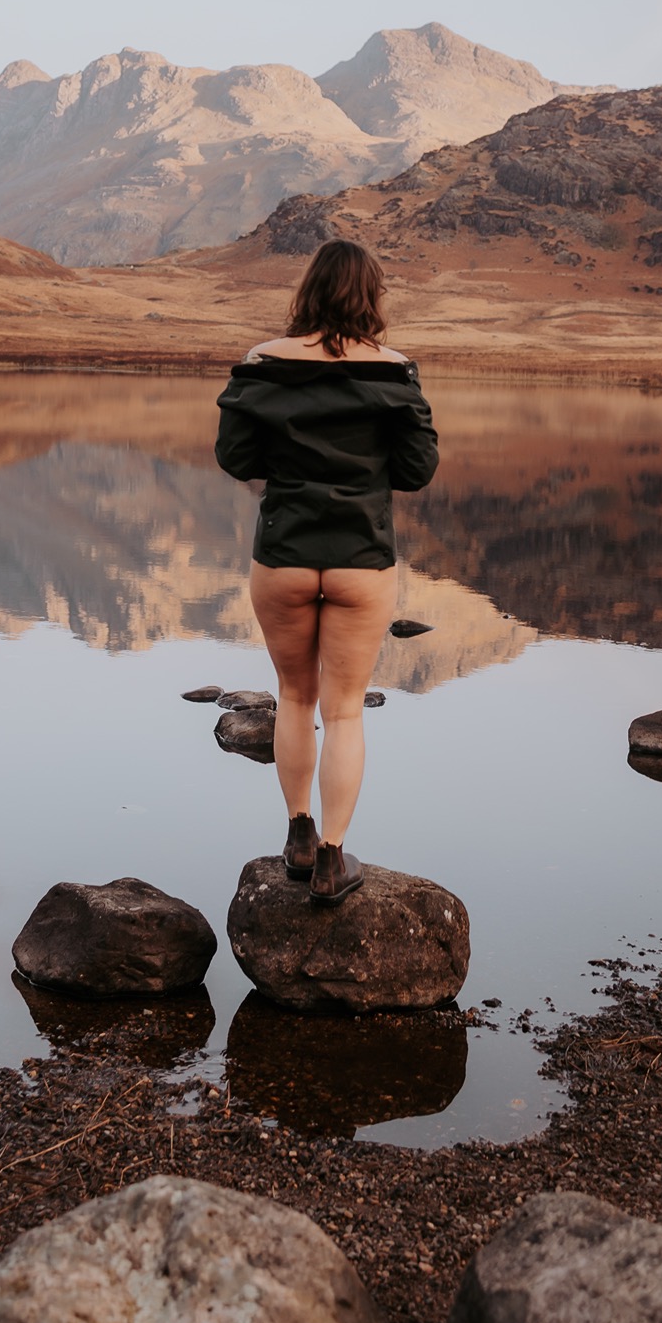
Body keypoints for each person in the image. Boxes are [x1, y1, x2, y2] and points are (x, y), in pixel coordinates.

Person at [214, 239, 438, 905]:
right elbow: (416, 471)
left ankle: (297, 838)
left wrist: (290, 463)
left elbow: (235, 457)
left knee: (294, 697)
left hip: (283, 553)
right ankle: (333, 861)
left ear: (307, 291)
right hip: (360, 559)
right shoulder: (395, 375)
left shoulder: (262, 365)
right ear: (371, 298)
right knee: (343, 712)